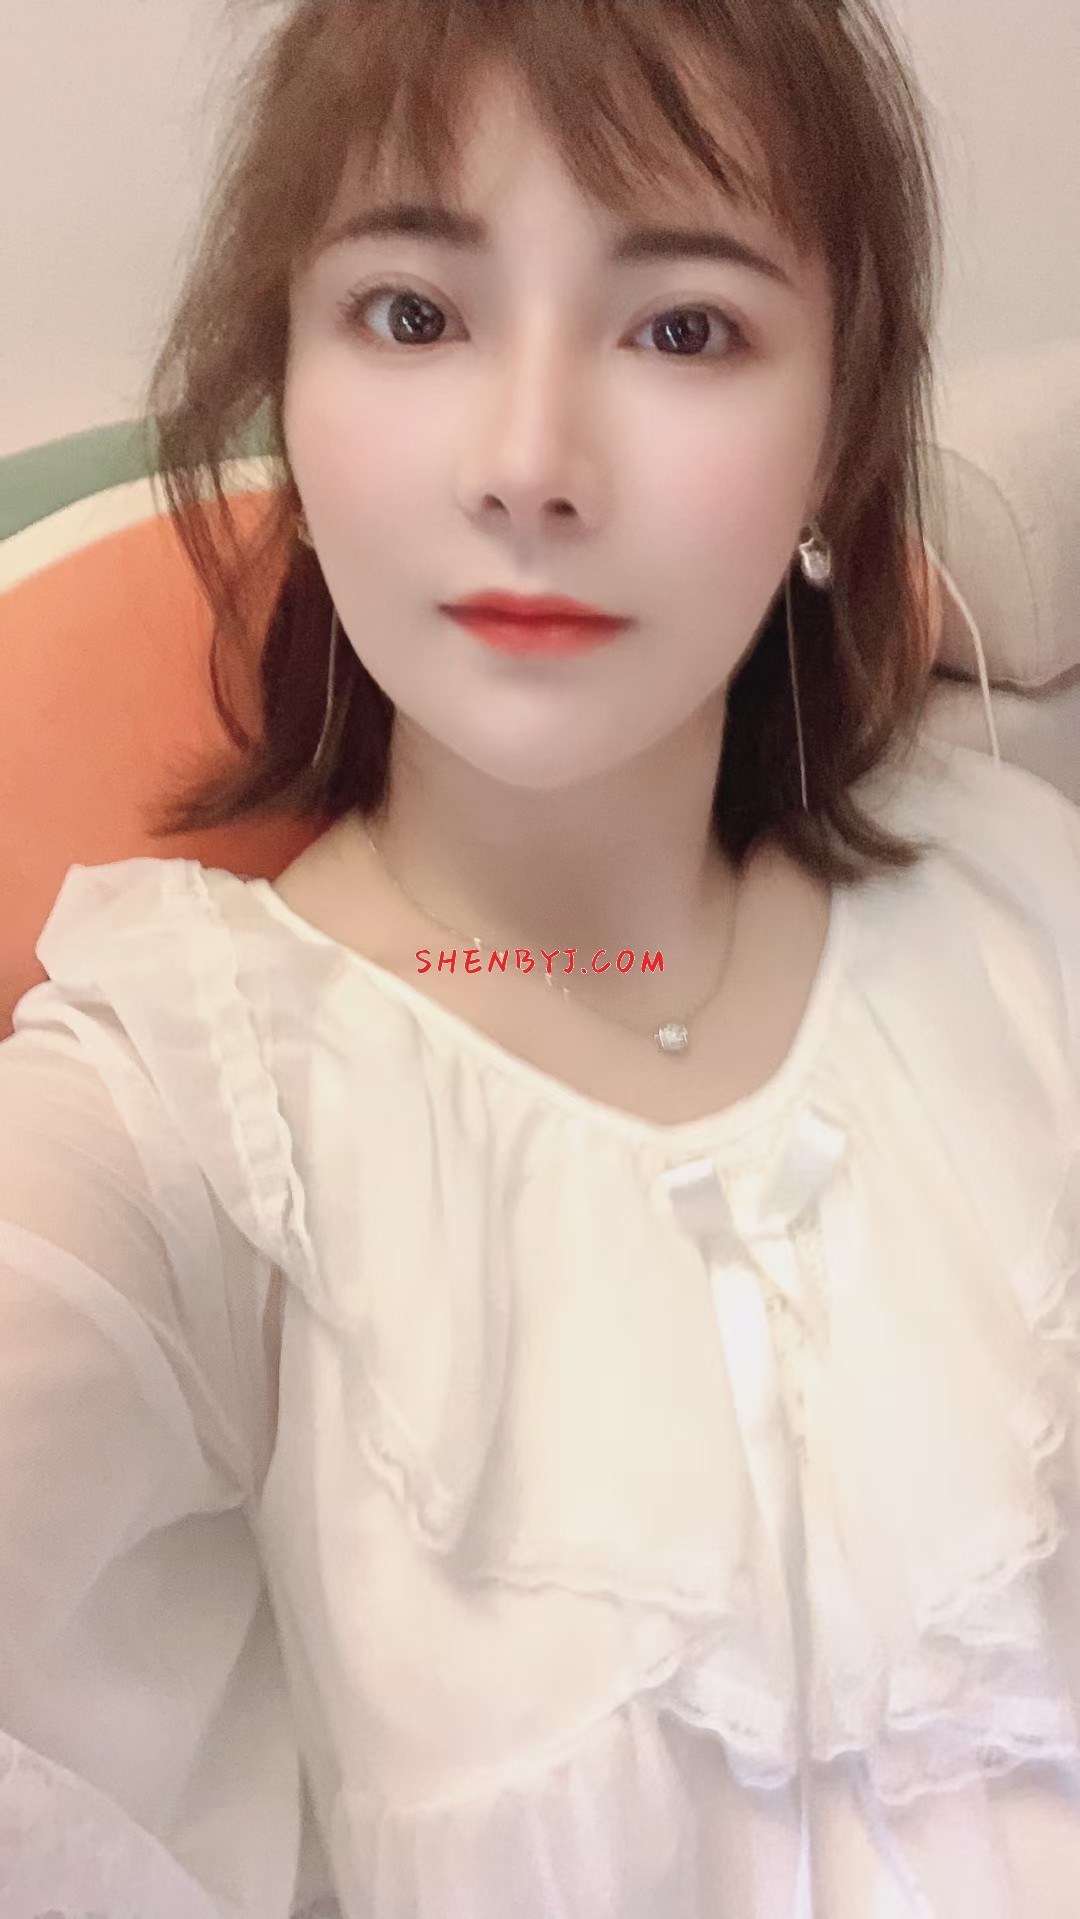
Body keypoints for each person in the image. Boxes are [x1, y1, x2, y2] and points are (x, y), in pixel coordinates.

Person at [2, 0, 1079, 1913]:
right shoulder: (188, 1104)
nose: (529, 464)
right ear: (288, 392)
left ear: (839, 443)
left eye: (686, 330)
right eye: (414, 312)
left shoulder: (1016, 908)